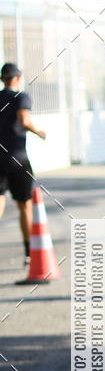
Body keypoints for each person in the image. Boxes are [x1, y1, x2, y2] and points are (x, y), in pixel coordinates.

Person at [0, 62, 46, 265]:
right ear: (17, 78)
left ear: (3, 79)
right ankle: (29, 254)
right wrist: (39, 132)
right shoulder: (21, 97)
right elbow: (24, 120)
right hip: (18, 158)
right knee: (24, 205)